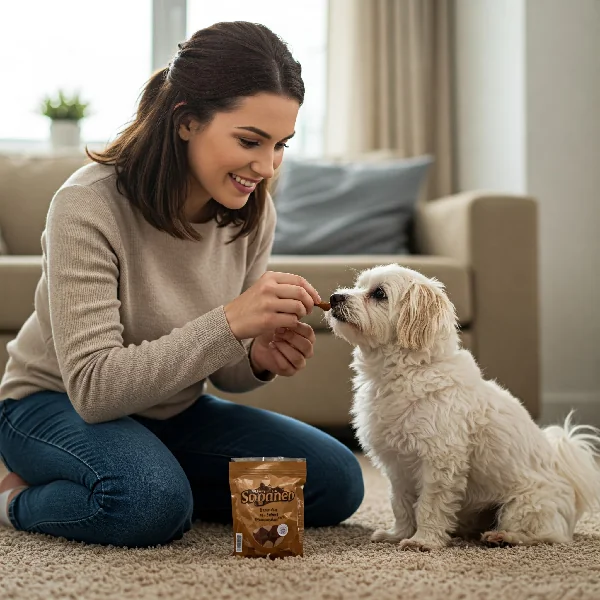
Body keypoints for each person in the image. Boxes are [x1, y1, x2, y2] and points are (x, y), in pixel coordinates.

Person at [0, 21, 364, 547]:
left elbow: (225, 374)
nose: (266, 166)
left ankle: (142, 471)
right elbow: (95, 390)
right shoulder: (88, 205)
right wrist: (232, 320)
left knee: (335, 480)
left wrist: (257, 355)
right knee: (150, 503)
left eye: (280, 144)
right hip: (51, 404)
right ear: (187, 121)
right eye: (249, 140)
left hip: (171, 410)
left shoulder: (251, 212)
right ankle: (15, 498)